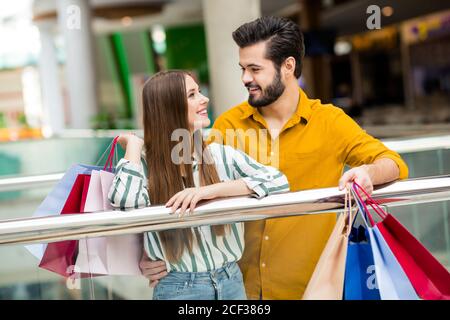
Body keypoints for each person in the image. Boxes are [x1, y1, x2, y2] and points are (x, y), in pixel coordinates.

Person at [139, 16, 408, 300]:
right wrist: (148, 255)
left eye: (255, 69)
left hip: (313, 288)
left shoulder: (329, 121)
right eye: (243, 68)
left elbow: (393, 163)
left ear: (288, 66)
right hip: (238, 289)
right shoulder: (229, 124)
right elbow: (185, 189)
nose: (245, 78)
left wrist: (368, 173)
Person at [108, 70, 289, 300]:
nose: (205, 99)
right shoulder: (144, 165)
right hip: (179, 288)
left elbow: (279, 182)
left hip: (231, 280)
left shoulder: (220, 155)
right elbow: (125, 203)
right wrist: (133, 146)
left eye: (199, 91)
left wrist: (209, 192)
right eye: (192, 94)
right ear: (168, 107)